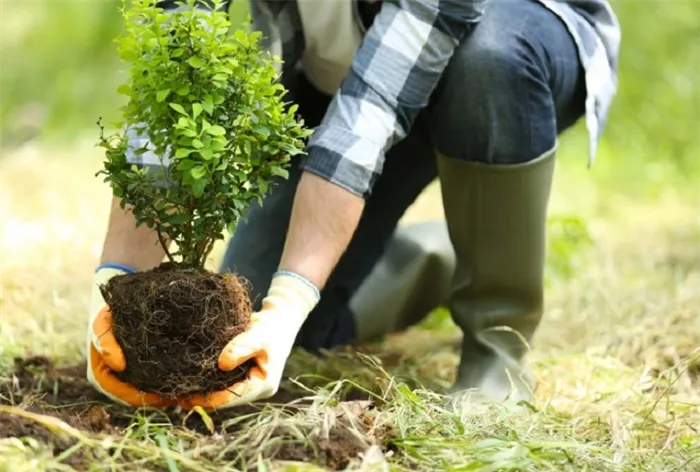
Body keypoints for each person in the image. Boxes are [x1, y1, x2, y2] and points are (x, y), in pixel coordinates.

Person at [87, 0, 621, 409]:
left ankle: (497, 345)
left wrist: (292, 297)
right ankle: (445, 255)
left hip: (505, 48)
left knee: (488, 61)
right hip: (341, 77)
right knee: (264, 321)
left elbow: (371, 110)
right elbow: (177, 66)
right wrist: (114, 283)